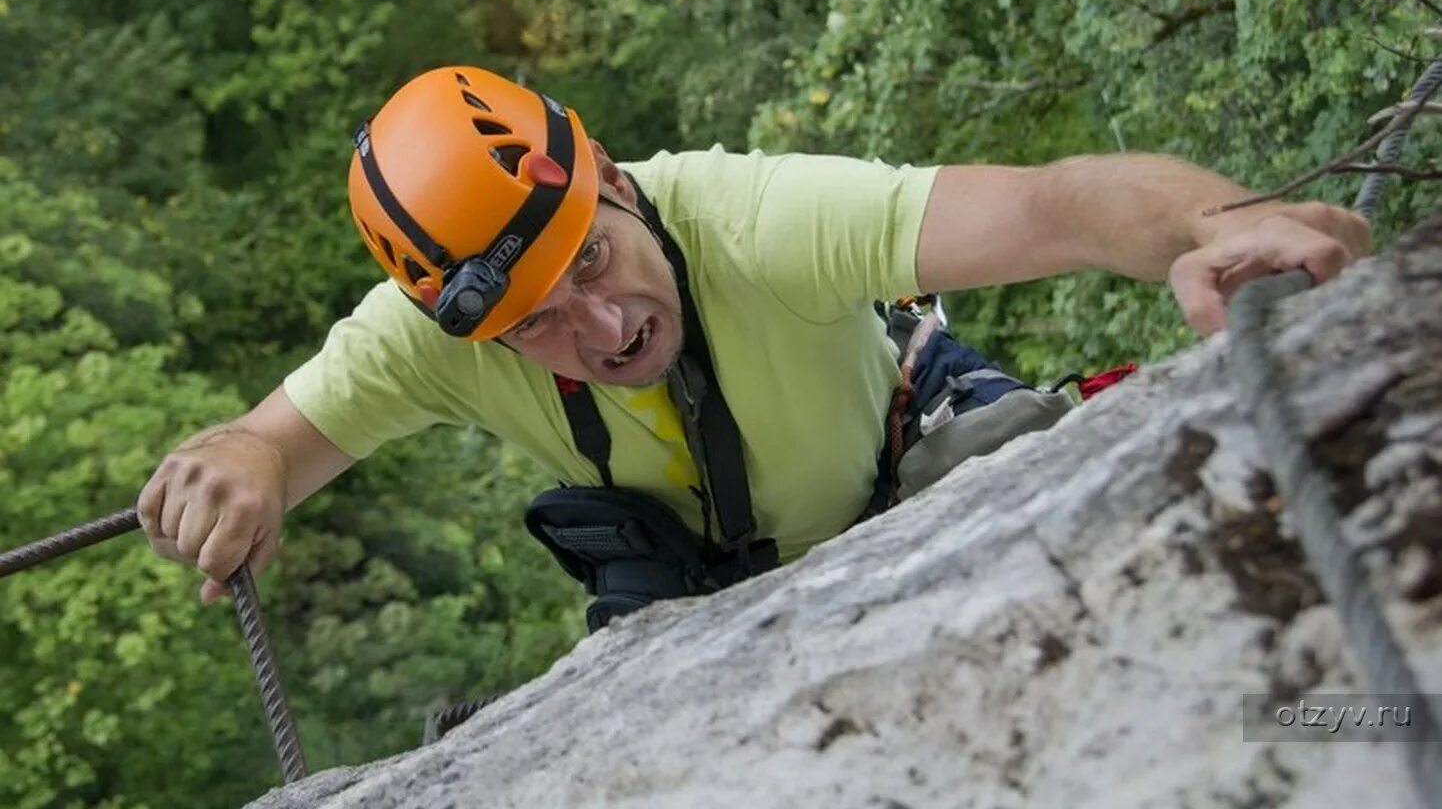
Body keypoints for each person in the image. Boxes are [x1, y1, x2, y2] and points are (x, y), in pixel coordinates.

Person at [137, 66, 1371, 620]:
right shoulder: (423, 340)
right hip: (696, 586)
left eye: (590, 261)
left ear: (614, 179)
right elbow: (271, 447)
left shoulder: (750, 218)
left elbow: (1050, 205)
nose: (603, 326)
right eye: (538, 330)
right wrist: (237, 462)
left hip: (906, 452)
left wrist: (1218, 226)